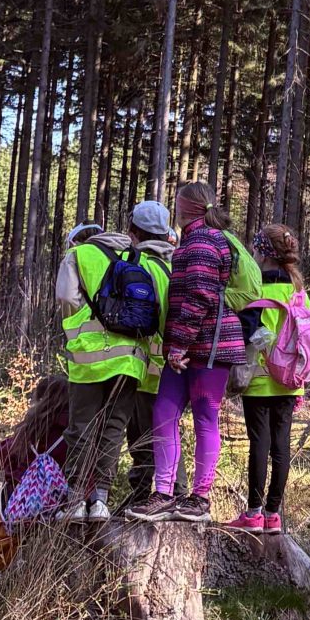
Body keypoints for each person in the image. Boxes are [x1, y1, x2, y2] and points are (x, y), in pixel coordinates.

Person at [131, 181, 255, 524]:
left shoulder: (203, 242)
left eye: (177, 203)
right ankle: (164, 494)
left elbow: (200, 296)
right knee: (164, 413)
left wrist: (180, 344)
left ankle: (200, 498)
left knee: (204, 417)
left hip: (209, 347)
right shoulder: (191, 240)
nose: (175, 208)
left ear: (188, 207)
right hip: (187, 347)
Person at [55, 220, 149, 519]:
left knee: (81, 427)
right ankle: (100, 500)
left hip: (89, 356)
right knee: (113, 428)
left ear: (75, 241)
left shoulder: (77, 255)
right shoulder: (135, 254)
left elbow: (66, 298)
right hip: (131, 359)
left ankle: (75, 499)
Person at [233, 223, 309, 533]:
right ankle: (273, 514)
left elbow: (245, 332)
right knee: (281, 445)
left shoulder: (255, 291)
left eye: (254, 249)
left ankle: (253, 512)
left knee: (259, 444)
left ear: (263, 255)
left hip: (259, 379)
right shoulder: (297, 292)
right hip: (291, 380)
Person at [118, 200, 175, 511]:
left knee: (143, 436)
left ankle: (145, 494)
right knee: (166, 433)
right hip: (173, 365)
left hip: (146, 365)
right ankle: (168, 492)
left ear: (134, 232)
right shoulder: (175, 264)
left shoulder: (140, 265)